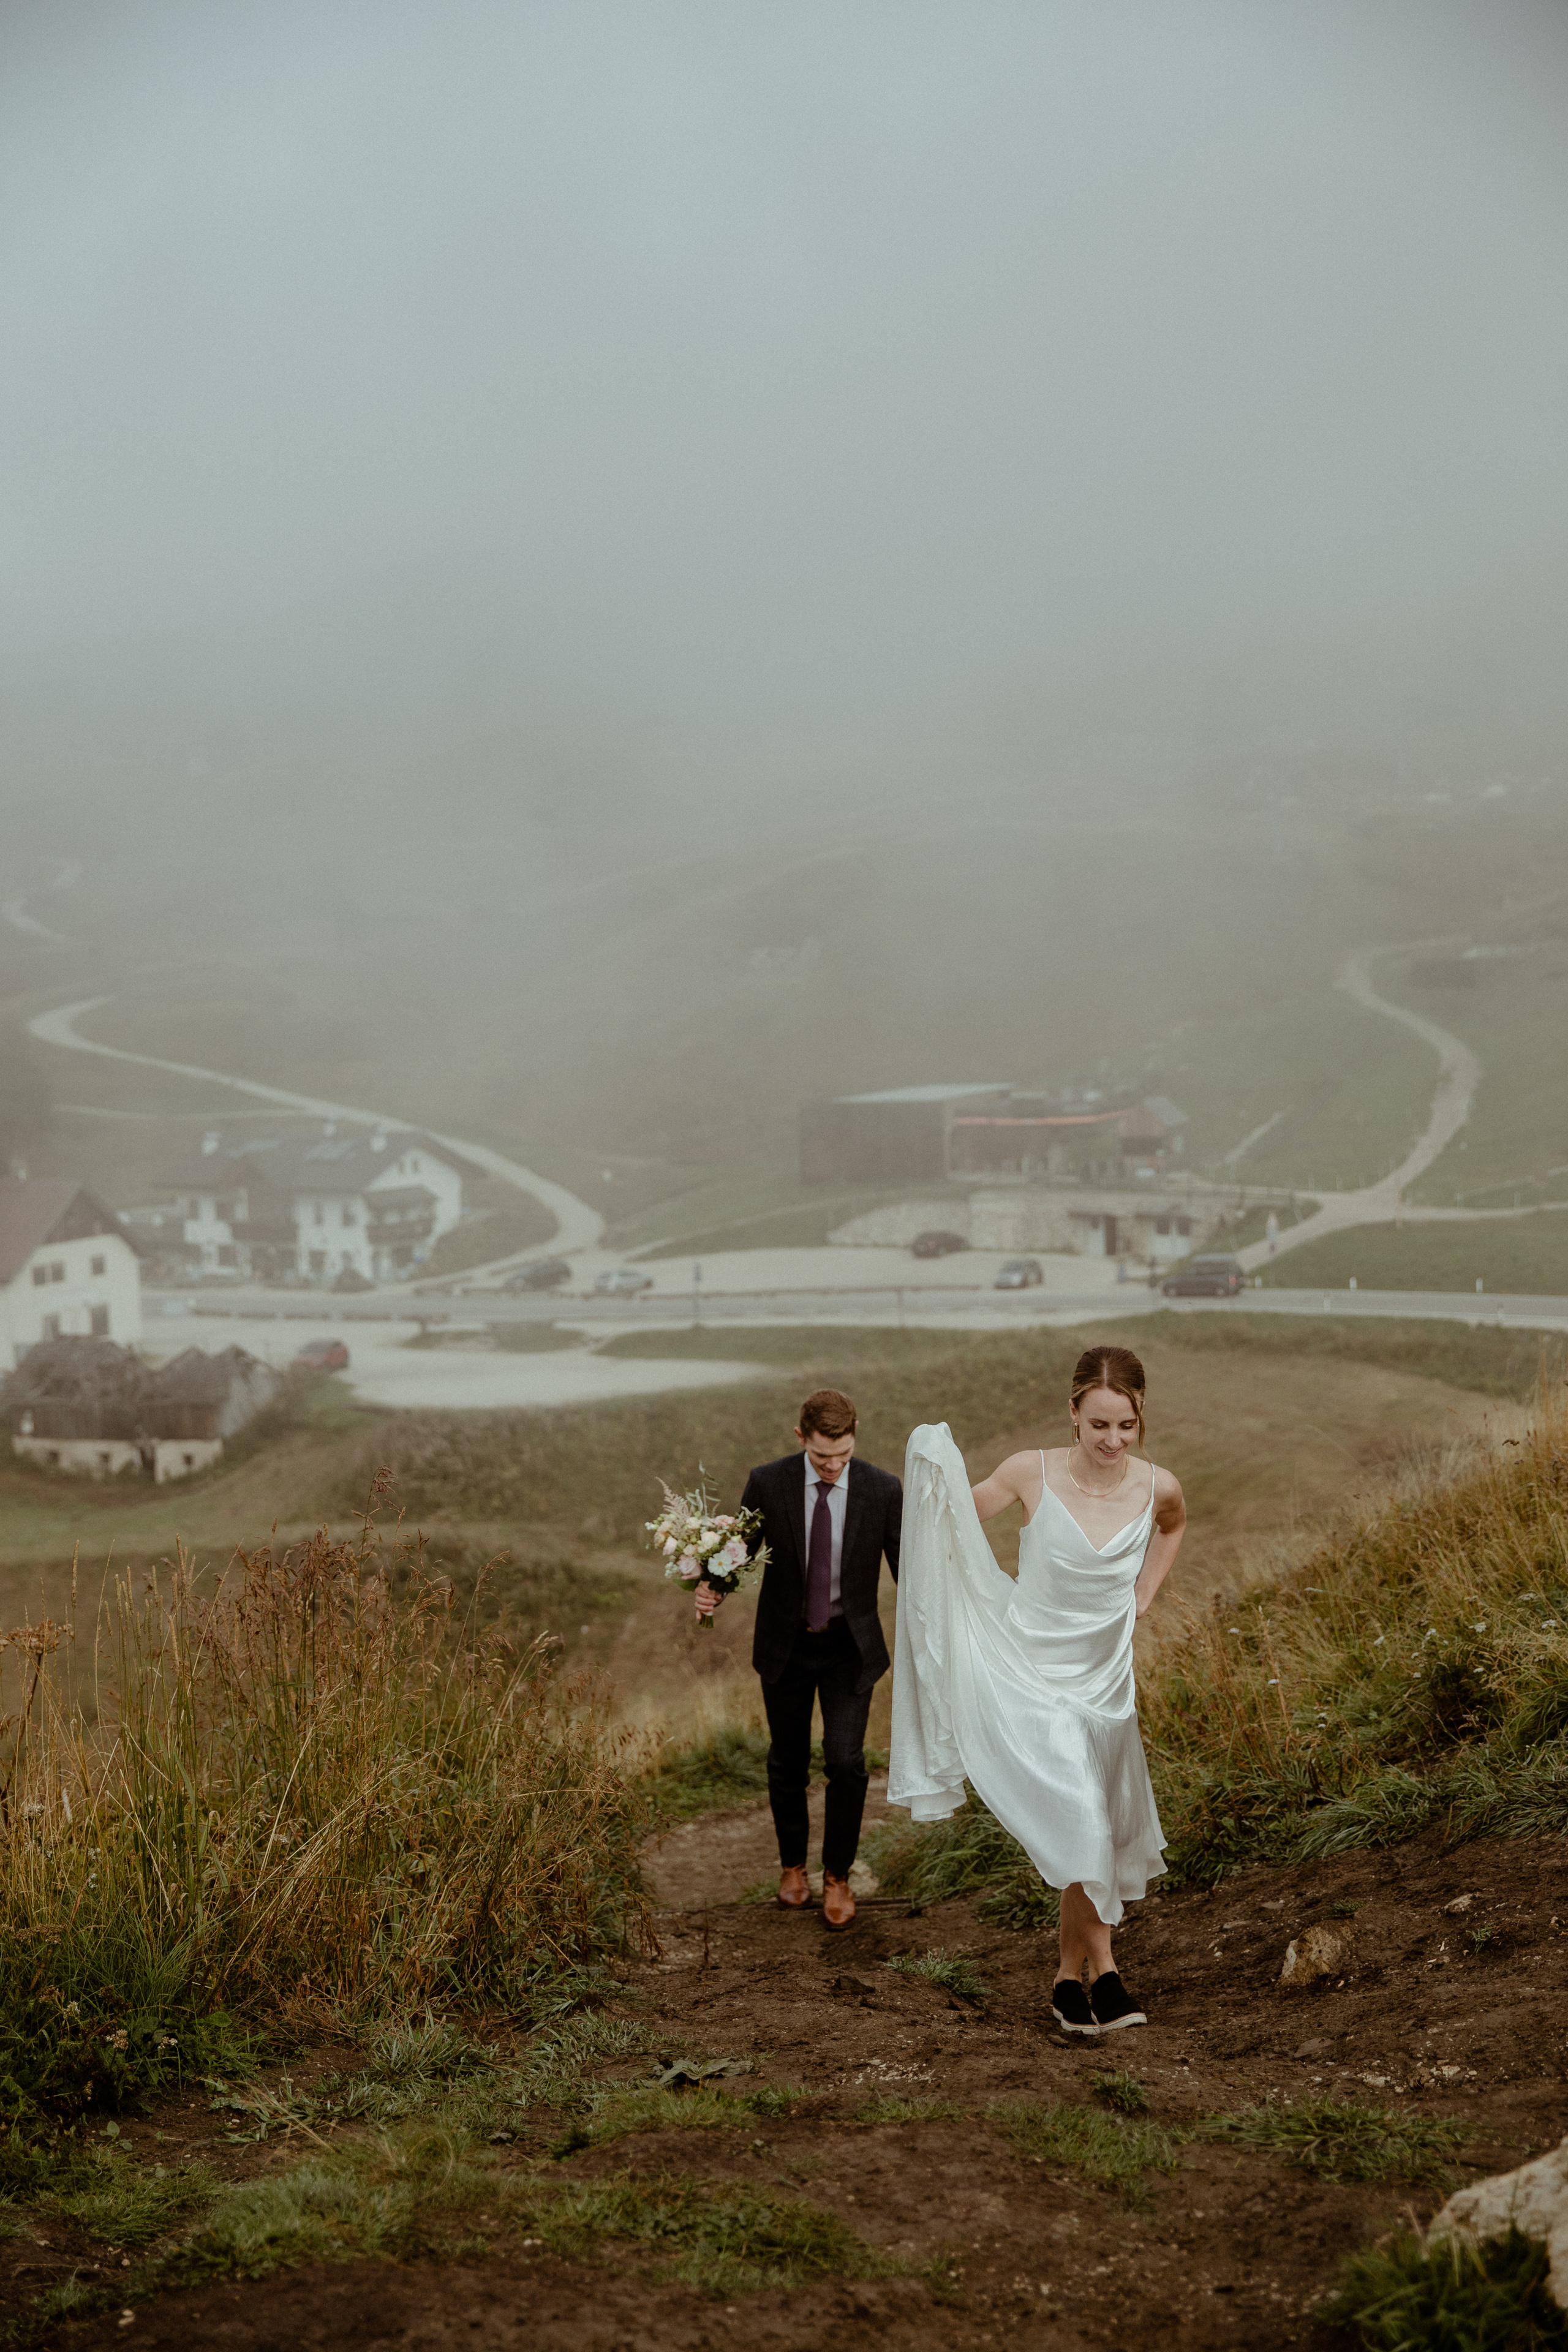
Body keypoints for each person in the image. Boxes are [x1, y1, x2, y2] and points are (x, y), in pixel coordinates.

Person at [889, 1344, 1185, 2033]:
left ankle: (1065, 1981)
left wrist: (1145, 1592)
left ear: (1141, 1416)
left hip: (1107, 1687)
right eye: (1099, 1424)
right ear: (1073, 1413)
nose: (1113, 1440)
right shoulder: (1031, 1472)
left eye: (1127, 1426)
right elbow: (949, 1519)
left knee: (1094, 1828)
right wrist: (932, 1466)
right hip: (1032, 1675)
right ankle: (1107, 1972)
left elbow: (1173, 1528)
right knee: (1084, 1817)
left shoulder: (1158, 1486)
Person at [695, 1387, 902, 1931]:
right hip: (785, 1646)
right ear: (800, 1438)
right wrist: (711, 1588)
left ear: (855, 1437)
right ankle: (792, 1867)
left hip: (850, 1648)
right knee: (787, 1761)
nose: (833, 1467)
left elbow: (908, 1568)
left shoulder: (883, 1489)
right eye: (821, 1456)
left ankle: (837, 1875)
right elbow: (738, 1551)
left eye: (844, 1455)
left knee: (845, 1762)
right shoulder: (769, 1482)